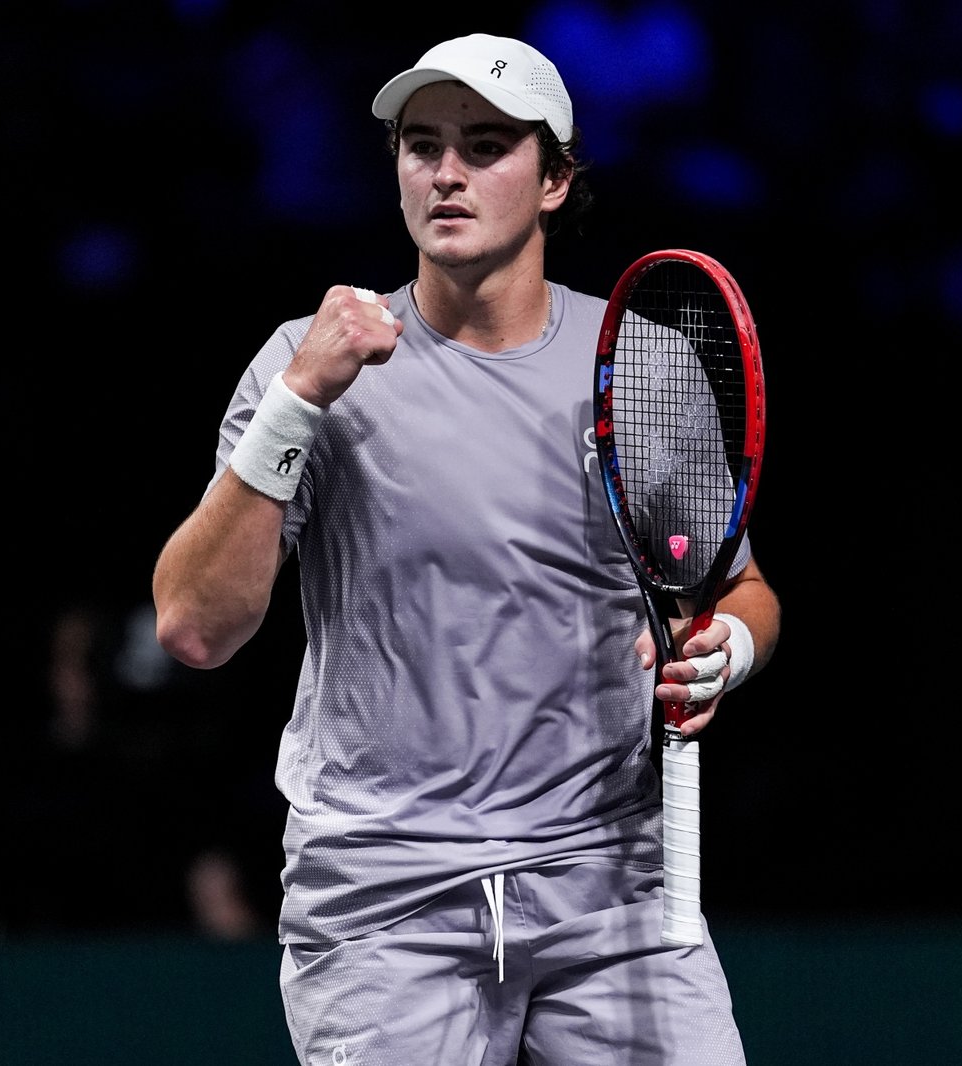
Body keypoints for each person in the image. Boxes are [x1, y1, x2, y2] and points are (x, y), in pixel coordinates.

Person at [152, 32, 781, 1065]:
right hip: (386, 903)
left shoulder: (641, 366)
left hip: (611, 889)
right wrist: (300, 401)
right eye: (423, 146)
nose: (447, 172)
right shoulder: (306, 362)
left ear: (554, 181)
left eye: (485, 147)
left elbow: (741, 591)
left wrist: (727, 651)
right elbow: (192, 627)